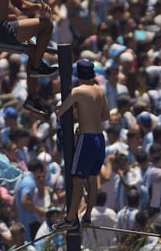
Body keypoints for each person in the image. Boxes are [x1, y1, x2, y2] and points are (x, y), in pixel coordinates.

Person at [53, 59, 110, 231]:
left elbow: (60, 112)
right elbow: (106, 115)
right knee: (92, 179)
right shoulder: (100, 91)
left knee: (77, 180)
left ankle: (70, 218)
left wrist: (79, 117)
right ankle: (87, 216)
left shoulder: (77, 92)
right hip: (100, 138)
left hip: (86, 139)